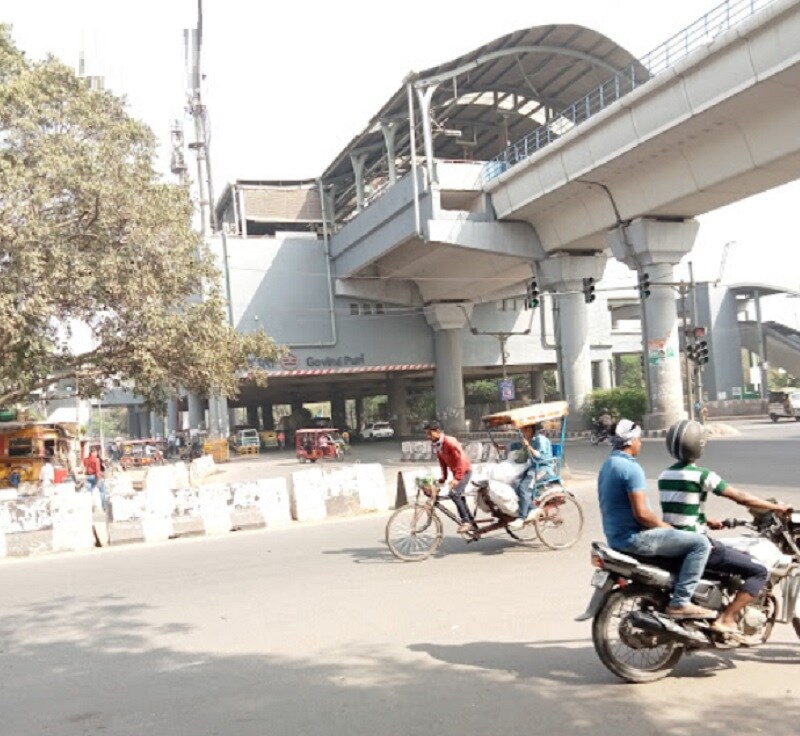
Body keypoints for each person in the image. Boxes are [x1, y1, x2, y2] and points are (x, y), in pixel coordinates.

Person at [659, 419, 791, 639]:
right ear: (699, 445)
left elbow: (680, 507)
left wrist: (705, 519)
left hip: (674, 541)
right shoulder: (701, 475)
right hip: (695, 544)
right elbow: (740, 497)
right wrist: (775, 507)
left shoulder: (665, 476)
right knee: (759, 571)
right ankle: (727, 618)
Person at [597, 418, 715, 619]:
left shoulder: (608, 464)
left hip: (615, 538)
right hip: (635, 539)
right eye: (639, 440)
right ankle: (680, 602)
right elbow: (642, 514)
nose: (640, 443)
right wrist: (666, 527)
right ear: (630, 441)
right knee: (701, 544)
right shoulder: (630, 468)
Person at [424, 419, 474, 533]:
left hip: (465, 471)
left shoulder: (450, 441)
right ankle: (470, 519)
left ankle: (466, 521)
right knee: (460, 496)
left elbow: (461, 459)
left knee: (454, 494)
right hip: (456, 472)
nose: (428, 436)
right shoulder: (436, 444)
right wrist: (444, 477)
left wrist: (457, 478)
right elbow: (442, 461)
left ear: (437, 431)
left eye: (429, 433)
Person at [508, 423, 557, 530]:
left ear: (530, 429)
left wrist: (528, 447)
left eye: (523, 430)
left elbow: (540, 456)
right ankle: (531, 508)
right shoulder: (528, 439)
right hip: (532, 468)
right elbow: (517, 449)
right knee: (515, 483)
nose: (522, 433)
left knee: (524, 488)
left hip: (543, 469)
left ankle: (522, 517)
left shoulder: (540, 440)